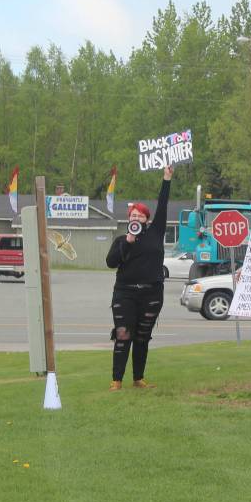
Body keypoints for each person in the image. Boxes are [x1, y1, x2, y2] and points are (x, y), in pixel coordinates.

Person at [104, 165, 174, 391]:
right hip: (125, 293)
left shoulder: (155, 232)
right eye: (133, 215)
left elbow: (162, 206)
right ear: (129, 218)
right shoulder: (121, 240)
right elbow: (110, 262)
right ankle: (116, 380)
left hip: (152, 292)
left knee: (143, 337)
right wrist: (128, 241)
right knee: (123, 334)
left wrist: (166, 179)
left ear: (146, 219)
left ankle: (138, 378)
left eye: (140, 215)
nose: (136, 217)